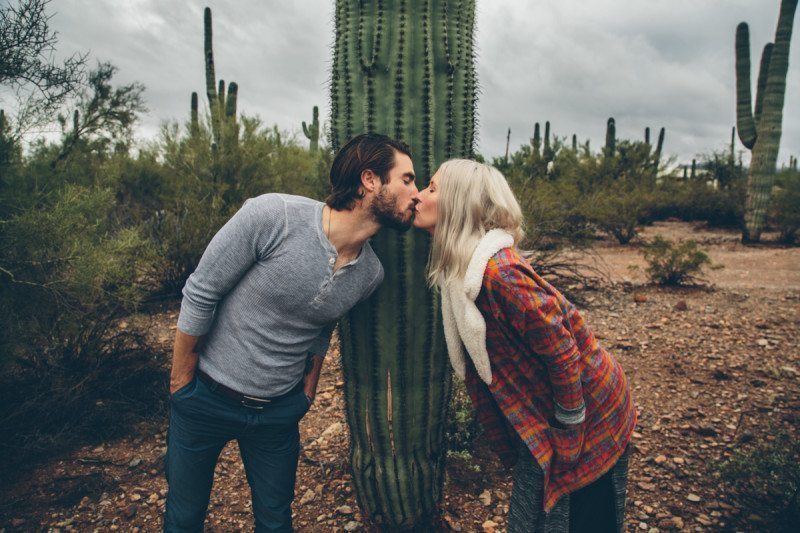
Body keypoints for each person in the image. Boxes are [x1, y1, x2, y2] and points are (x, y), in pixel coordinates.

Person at [164, 133, 420, 532]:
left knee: (275, 520)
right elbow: (201, 290)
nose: (416, 193)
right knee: (185, 516)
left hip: (278, 413)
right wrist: (182, 383)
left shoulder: (370, 274)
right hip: (206, 398)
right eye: (407, 179)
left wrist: (306, 392)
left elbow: (322, 326)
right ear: (370, 180)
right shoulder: (273, 216)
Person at [413, 159, 637, 532]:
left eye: (432, 188)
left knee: (584, 515)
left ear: (459, 203)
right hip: (549, 409)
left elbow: (563, 351)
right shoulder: (463, 271)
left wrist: (570, 431)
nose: (420, 196)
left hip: (592, 411)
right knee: (539, 512)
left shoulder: (500, 274)